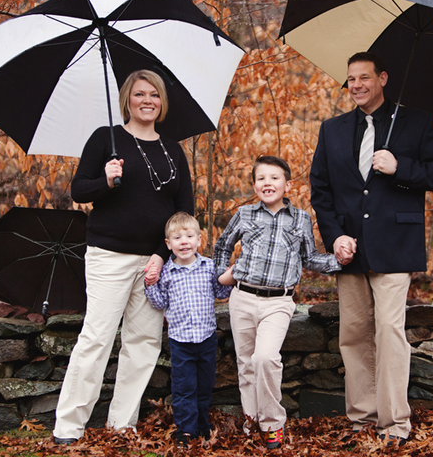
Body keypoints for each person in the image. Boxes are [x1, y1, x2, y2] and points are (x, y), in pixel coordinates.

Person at [309, 52, 433, 446]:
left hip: (395, 246)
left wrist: (400, 167)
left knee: (390, 331)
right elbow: (321, 191)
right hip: (349, 249)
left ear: (383, 78)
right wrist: (334, 235)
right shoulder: (332, 129)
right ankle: (361, 417)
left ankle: (395, 423)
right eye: (350, 79)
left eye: (364, 78)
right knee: (354, 334)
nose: (356, 85)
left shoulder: (418, 122)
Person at [53, 69, 194, 446]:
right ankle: (68, 427)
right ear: (127, 100)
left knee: (143, 343)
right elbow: (80, 191)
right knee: (96, 338)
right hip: (109, 256)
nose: (147, 101)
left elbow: (184, 211)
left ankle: (122, 424)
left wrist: (163, 256)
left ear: (161, 103)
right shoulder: (106, 139)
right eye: (139, 95)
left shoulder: (173, 149)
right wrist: (107, 179)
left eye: (154, 95)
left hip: (153, 262)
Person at [213, 155, 341, 450]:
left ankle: (272, 424)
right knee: (246, 364)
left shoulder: (301, 219)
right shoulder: (245, 215)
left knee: (265, 358)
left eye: (274, 177)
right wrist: (221, 274)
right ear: (254, 185)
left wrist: (339, 261)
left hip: (278, 302)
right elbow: (222, 245)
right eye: (261, 178)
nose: (267, 183)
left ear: (288, 185)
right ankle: (251, 421)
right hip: (242, 297)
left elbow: (309, 258)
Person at [143, 212, 232, 447]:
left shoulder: (209, 267)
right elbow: (159, 303)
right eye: (177, 237)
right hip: (180, 341)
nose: (184, 241)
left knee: (204, 385)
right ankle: (186, 430)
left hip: (206, 339)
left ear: (199, 239)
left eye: (189, 236)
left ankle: (202, 426)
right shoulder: (166, 273)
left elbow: (222, 293)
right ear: (168, 244)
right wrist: (150, 284)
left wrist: (232, 278)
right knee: (184, 388)